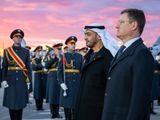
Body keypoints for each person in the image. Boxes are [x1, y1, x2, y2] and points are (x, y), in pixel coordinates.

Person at [101, 8, 154, 120]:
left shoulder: (141, 53)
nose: (116, 26)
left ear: (133, 25)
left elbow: (139, 100)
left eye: (121, 22)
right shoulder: (122, 50)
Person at [75, 23, 115, 120]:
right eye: (85, 34)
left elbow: (111, 89)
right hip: (82, 110)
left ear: (99, 36)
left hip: (97, 112)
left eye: (88, 34)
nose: (85, 38)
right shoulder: (88, 56)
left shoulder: (108, 57)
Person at [1, 29, 32, 120]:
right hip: (10, 81)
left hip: (22, 81)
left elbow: (28, 67)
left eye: (20, 37)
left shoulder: (26, 51)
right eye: (16, 37)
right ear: (12, 38)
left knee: (20, 104)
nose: (18, 38)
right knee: (11, 104)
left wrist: (29, 81)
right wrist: (3, 79)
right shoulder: (7, 51)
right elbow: (4, 67)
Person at [57, 36, 83, 120]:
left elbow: (82, 71)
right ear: (67, 45)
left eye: (74, 43)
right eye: (71, 43)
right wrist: (61, 83)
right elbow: (59, 72)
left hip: (77, 85)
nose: (73, 45)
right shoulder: (63, 56)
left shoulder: (80, 56)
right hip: (66, 85)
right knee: (67, 110)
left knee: (76, 110)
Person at [45, 43, 63, 118]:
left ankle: (57, 112)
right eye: (58, 49)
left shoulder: (62, 57)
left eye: (60, 49)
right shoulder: (50, 56)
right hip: (52, 77)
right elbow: (46, 66)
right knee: (52, 96)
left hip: (59, 77)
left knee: (58, 95)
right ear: (54, 49)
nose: (59, 50)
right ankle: (53, 113)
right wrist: (54, 58)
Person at [32, 46, 47, 110]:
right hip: (37, 76)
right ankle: (38, 106)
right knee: (38, 91)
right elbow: (34, 67)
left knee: (42, 91)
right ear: (35, 52)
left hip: (43, 75)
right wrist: (41, 64)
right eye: (38, 51)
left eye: (40, 51)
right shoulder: (34, 59)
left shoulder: (42, 59)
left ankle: (41, 105)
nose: (39, 52)